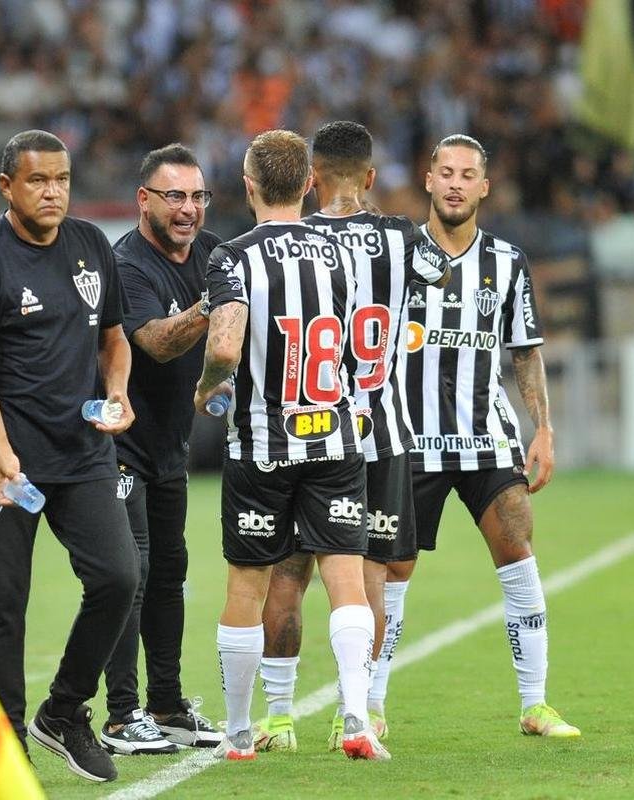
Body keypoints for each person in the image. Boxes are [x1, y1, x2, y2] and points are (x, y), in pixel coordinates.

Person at [0, 129, 138, 783]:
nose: (52, 191)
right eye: (36, 180)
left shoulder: (89, 247)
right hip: (4, 463)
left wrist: (116, 391)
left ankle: (62, 712)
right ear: (7, 187)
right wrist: (0, 452)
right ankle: (5, 747)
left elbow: (114, 339)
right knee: (1, 608)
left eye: (60, 179)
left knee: (117, 577)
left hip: (81, 454)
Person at [250, 120, 450, 752]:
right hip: (383, 430)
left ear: (310, 182)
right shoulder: (401, 237)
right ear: (368, 176)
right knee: (369, 576)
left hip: (307, 429)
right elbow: (440, 275)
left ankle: (279, 715)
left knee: (289, 572)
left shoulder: (298, 241)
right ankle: (357, 711)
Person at [194, 129, 388, 761]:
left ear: (248, 186)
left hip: (261, 447)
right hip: (334, 439)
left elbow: (225, 345)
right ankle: (356, 716)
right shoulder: (340, 253)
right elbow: (366, 341)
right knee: (347, 582)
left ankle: (241, 731)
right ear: (308, 185)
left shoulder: (231, 257)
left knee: (247, 587)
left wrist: (208, 389)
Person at [383, 134, 581, 738]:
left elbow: (525, 352)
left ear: (484, 187)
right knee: (392, 571)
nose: (455, 183)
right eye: (445, 172)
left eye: (467, 175)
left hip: (485, 435)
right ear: (428, 179)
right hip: (409, 437)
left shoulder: (507, 261)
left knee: (518, 549)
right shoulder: (392, 254)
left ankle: (535, 704)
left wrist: (543, 428)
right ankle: (368, 708)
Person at [98, 144, 223, 754]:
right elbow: (155, 343)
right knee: (133, 573)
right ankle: (121, 716)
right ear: (143, 199)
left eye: (198, 196)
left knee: (171, 573)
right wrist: (213, 306)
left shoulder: (209, 252)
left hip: (170, 445)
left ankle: (167, 704)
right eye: (175, 195)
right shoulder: (126, 265)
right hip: (120, 445)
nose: (189, 209)